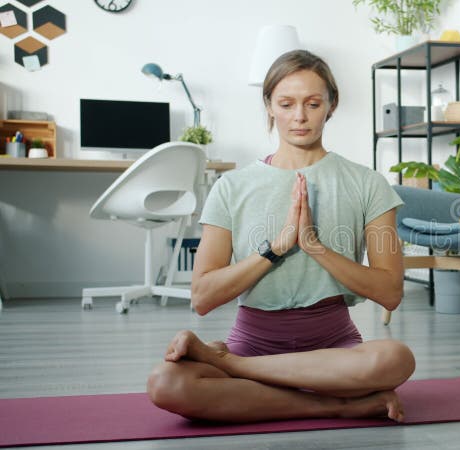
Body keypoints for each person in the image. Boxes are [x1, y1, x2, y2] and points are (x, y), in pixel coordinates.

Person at [146, 50, 415, 423]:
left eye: (313, 103)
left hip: (333, 349)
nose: (300, 117)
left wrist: (314, 247)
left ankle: (236, 369)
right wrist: (276, 249)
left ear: (331, 106)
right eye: (286, 104)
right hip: (255, 343)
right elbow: (203, 297)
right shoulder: (231, 187)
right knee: (165, 383)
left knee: (395, 359)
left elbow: (390, 292)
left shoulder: (368, 184)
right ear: (269, 106)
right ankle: (338, 405)